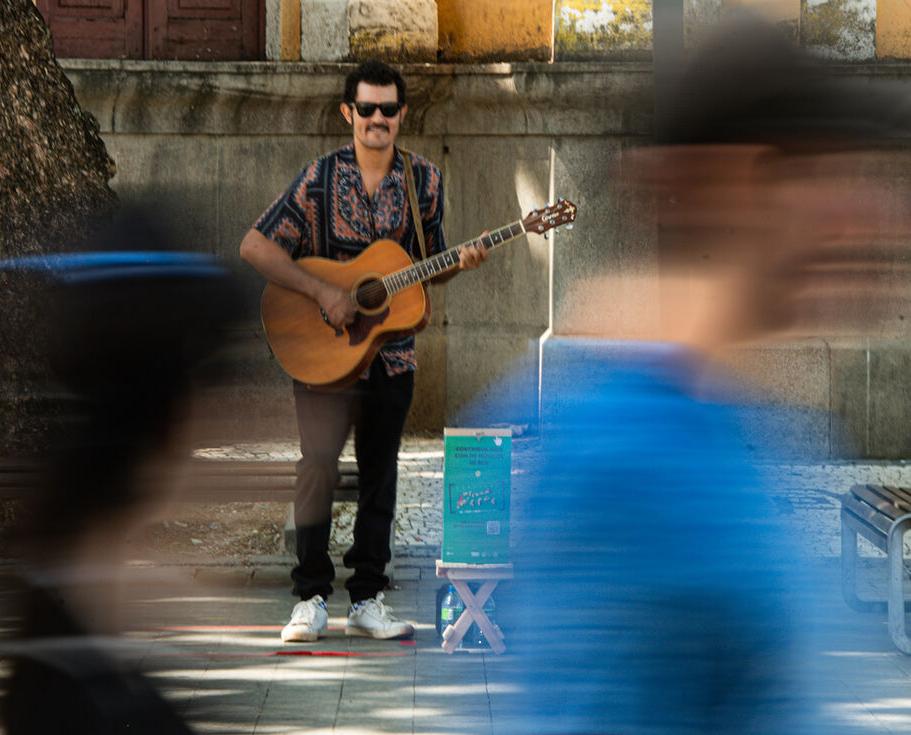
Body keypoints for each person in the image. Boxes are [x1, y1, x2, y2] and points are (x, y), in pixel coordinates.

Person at [460, 17, 911, 734]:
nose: (868, 212)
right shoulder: (629, 455)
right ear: (733, 183)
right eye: (822, 171)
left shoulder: (718, 418)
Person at [240, 60, 487, 642]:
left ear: (402, 115)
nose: (379, 119)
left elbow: (425, 273)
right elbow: (255, 246)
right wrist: (325, 290)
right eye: (368, 108)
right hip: (323, 355)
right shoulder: (319, 180)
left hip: (392, 357)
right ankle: (310, 598)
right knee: (316, 471)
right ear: (348, 113)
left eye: (390, 109)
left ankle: (369, 598)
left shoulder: (424, 181)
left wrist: (460, 261)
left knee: (381, 477)